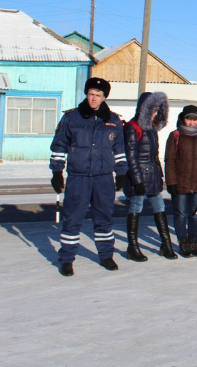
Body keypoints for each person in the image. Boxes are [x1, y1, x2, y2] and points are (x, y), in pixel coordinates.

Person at [49, 77, 128, 276]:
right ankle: (67, 258)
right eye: (91, 94)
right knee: (72, 218)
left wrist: (121, 173)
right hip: (78, 177)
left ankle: (106, 256)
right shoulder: (71, 118)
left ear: (104, 97)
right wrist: (57, 172)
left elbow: (119, 149)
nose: (93, 99)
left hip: (103, 178)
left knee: (104, 218)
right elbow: (59, 146)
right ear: (87, 94)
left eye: (98, 95)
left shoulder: (113, 120)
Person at [123, 91, 177, 262]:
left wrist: (160, 177)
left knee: (160, 207)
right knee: (135, 208)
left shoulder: (152, 128)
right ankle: (133, 246)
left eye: (157, 110)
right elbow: (131, 157)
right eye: (152, 109)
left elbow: (155, 155)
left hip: (152, 175)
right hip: (138, 176)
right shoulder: (132, 127)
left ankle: (166, 244)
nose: (155, 113)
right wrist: (137, 180)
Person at [164, 105, 197, 258]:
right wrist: (171, 182)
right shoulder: (175, 135)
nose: (191, 122)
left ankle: (193, 242)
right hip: (180, 182)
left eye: (195, 119)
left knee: (195, 214)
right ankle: (183, 243)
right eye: (189, 118)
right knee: (180, 214)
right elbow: (170, 160)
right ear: (183, 119)